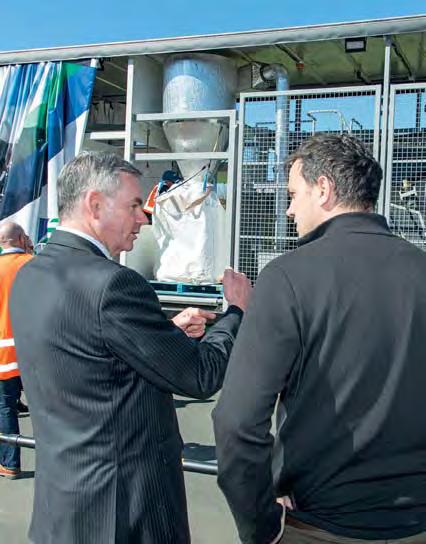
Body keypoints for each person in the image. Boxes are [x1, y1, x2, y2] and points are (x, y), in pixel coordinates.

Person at [10, 151, 251, 544]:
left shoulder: (30, 274)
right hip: (125, 513)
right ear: (94, 205)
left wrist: (163, 331)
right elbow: (200, 375)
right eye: (134, 206)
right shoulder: (114, 284)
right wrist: (236, 312)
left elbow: (85, 352)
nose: (143, 218)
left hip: (62, 509)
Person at [213, 134, 426, 543]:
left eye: (294, 194)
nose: (289, 209)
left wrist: (261, 524)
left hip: (320, 523)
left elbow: (237, 423)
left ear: (324, 189)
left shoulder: (287, 278)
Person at [0, 221, 33, 478]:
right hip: (35, 352)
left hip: (5, 355)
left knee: (6, 408)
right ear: (22, 238)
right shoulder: (34, 264)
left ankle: (10, 463)